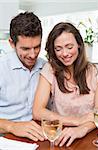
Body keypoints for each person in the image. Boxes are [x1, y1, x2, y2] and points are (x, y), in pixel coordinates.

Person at [33, 22, 98, 146]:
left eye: (69, 47)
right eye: (58, 49)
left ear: (79, 45)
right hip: (60, 137)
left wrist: (82, 129)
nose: (64, 54)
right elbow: (37, 111)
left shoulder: (95, 72)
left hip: (90, 137)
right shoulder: (49, 69)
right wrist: (76, 121)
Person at [0, 12, 46, 141]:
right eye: (25, 49)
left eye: (37, 47)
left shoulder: (46, 67)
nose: (33, 55)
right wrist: (12, 126)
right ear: (12, 43)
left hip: (38, 134)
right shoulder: (1, 68)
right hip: (5, 136)